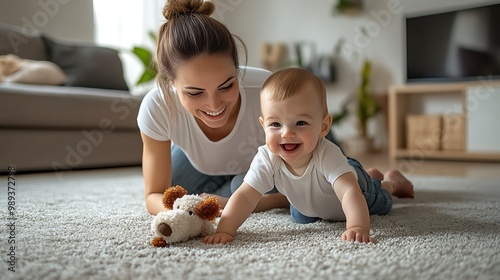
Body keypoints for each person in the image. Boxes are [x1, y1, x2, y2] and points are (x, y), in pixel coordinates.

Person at [203, 68, 414, 245]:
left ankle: (389, 182)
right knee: (300, 217)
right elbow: (245, 195)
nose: (286, 133)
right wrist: (226, 230)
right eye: (275, 124)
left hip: (357, 190)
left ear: (323, 127)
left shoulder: (326, 153)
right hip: (309, 204)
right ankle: (371, 174)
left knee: (383, 203)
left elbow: (349, 191)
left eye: (300, 123)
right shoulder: (267, 157)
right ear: (263, 125)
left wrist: (357, 227)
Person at [137, 0, 303, 215]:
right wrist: (185, 210)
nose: (214, 105)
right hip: (199, 165)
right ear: (171, 82)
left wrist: (231, 202)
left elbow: (306, 182)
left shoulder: (265, 90)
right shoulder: (157, 106)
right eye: (195, 93)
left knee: (245, 185)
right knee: (178, 190)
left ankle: (235, 190)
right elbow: (154, 195)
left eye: (226, 86)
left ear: (237, 70)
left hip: (269, 163)